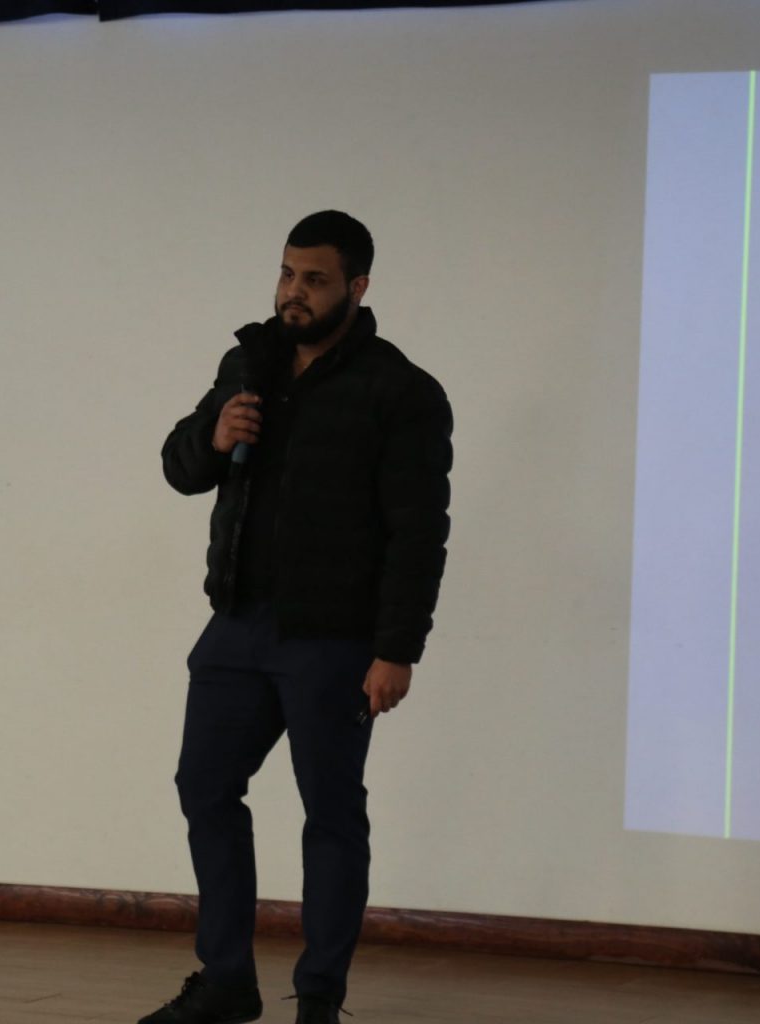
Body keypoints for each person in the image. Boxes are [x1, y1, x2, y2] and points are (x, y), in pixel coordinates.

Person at [144, 211, 453, 1024]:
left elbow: (418, 533)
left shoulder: (400, 392)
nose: (294, 292)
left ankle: (318, 997)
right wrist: (214, 437)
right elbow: (179, 467)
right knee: (204, 788)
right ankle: (226, 981)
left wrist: (397, 649)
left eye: (315, 279)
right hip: (238, 624)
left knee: (331, 814)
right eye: (287, 273)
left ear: (357, 287)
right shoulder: (249, 364)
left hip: (335, 640)